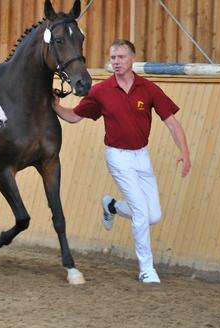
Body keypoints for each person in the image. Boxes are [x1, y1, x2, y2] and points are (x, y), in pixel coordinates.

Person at [53, 39, 191, 284]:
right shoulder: (101, 91)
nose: (116, 62)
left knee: (153, 215)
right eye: (113, 58)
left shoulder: (148, 89)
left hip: (142, 156)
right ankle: (146, 269)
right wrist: (57, 107)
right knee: (140, 210)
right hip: (117, 156)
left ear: (132, 59)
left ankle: (112, 206)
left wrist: (185, 151)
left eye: (121, 57)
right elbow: (75, 117)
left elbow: (171, 121)